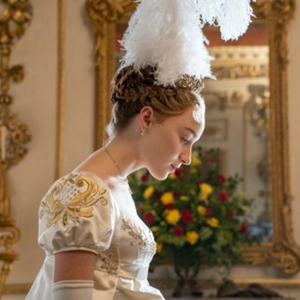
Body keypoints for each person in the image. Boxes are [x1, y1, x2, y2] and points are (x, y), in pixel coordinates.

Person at [26, 1, 253, 299]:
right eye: (185, 138)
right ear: (146, 117)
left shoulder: (117, 188)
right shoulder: (82, 192)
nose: (187, 158)